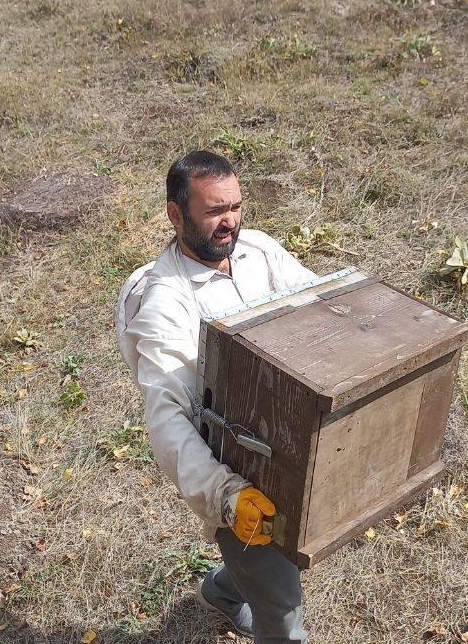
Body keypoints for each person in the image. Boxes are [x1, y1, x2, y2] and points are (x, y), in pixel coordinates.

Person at [118, 150, 316, 643]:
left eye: (235, 207)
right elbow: (169, 418)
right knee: (284, 610)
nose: (229, 222)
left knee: (282, 553)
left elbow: (320, 308)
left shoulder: (261, 251)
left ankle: (225, 590)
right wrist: (228, 496)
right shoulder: (163, 298)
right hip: (236, 466)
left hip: (291, 439)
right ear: (175, 213)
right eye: (213, 211)